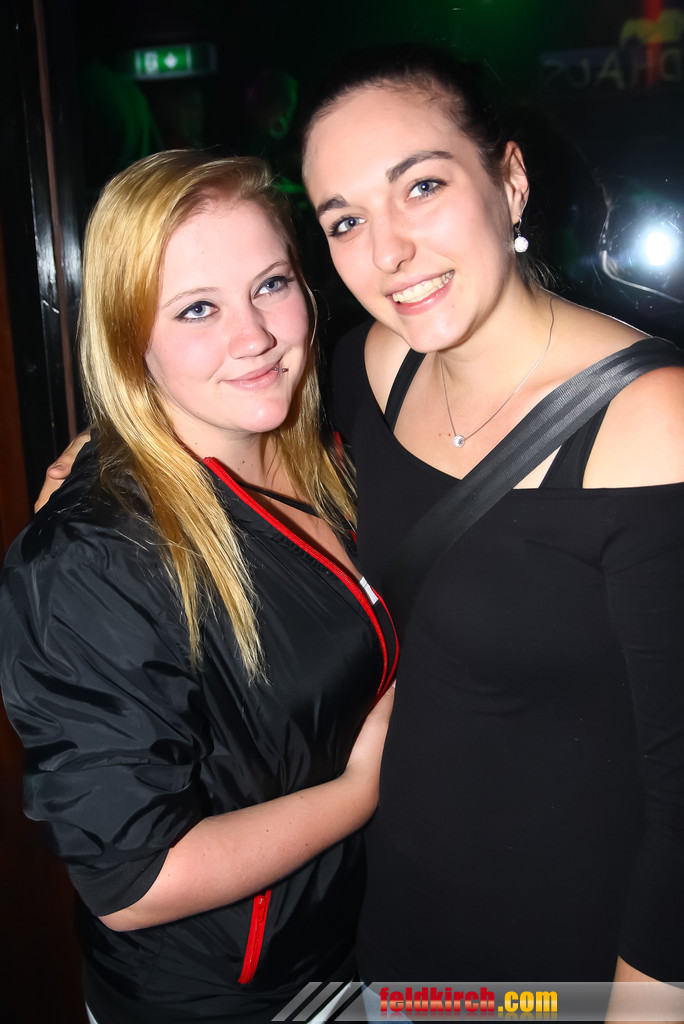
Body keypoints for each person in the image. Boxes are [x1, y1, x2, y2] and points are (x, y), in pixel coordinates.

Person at [299, 44, 684, 1008]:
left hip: (563, 969)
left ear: (509, 182)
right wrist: (105, 459)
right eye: (346, 220)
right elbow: (249, 434)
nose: (387, 252)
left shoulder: (652, 421)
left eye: (421, 187)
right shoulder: (378, 367)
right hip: (396, 936)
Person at [0, 150, 397, 1024]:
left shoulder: (332, 443)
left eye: (271, 285)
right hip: (229, 999)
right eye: (196, 309)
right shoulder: (94, 560)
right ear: (128, 337)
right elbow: (133, 881)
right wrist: (362, 789)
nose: (253, 337)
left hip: (352, 943)